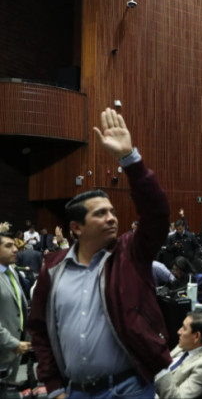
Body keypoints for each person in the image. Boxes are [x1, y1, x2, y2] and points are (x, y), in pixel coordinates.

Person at [28, 108, 172, 399]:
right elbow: (40, 330)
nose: (111, 218)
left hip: (130, 387)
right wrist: (54, 387)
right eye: (101, 213)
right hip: (76, 392)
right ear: (76, 228)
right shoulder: (53, 270)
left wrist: (130, 159)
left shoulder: (131, 254)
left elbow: (157, 215)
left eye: (113, 212)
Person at [155, 312, 202, 399]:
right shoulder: (188, 343)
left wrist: (161, 365)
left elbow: (178, 397)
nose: (179, 331)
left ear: (196, 336)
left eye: (184, 328)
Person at [0, 232, 32, 383]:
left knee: (8, 390)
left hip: (16, 347)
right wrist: (13, 343)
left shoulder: (11, 270)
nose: (15, 249)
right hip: (6, 345)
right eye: (8, 246)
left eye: (14, 245)